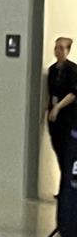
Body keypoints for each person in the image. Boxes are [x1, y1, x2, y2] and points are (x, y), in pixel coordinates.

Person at [46, 37, 77, 182]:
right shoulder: (53, 69)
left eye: (61, 48)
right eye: (56, 47)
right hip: (55, 119)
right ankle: (63, 184)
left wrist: (58, 107)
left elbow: (73, 93)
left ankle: (67, 185)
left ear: (68, 50)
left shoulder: (72, 69)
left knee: (67, 153)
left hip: (68, 117)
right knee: (58, 150)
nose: (58, 51)